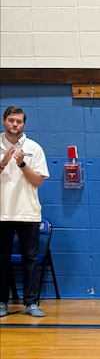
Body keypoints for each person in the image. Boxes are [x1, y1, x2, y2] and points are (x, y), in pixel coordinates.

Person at [0, 106, 49, 319]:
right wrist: (3, 163)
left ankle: (31, 303)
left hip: (28, 214)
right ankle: (2, 302)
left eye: (18, 121)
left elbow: (38, 181)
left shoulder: (34, 148)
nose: (14, 124)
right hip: (1, 215)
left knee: (30, 261)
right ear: (4, 121)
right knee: (1, 261)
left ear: (24, 124)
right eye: (11, 120)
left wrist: (21, 164)